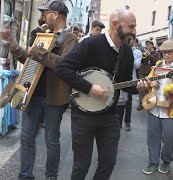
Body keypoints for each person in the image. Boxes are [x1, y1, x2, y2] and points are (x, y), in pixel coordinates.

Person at [54, 9, 137, 180]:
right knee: (81, 165)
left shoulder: (127, 52)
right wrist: (89, 88)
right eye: (131, 27)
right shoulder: (90, 44)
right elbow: (62, 68)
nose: (134, 31)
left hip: (110, 116)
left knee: (108, 163)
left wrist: (141, 87)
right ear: (115, 25)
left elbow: (126, 83)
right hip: (83, 115)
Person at [0, 0, 78, 179]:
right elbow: (28, 61)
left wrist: (37, 52)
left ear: (56, 15)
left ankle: (51, 176)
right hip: (31, 94)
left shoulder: (69, 39)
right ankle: (25, 175)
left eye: (46, 12)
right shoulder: (42, 35)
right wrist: (12, 41)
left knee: (51, 141)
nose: (43, 16)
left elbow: (63, 65)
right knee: (26, 138)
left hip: (55, 98)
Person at [137, 40, 173, 175]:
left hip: (171, 109)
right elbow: (148, 79)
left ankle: (166, 160)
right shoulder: (158, 65)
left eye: (169, 52)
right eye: (164, 52)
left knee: (169, 138)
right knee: (153, 136)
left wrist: (168, 87)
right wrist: (151, 82)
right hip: (155, 107)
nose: (166, 55)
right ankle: (153, 162)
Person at [116, 38, 142, 131]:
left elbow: (137, 65)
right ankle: (118, 123)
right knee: (118, 101)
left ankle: (127, 122)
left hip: (132, 79)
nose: (128, 41)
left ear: (134, 41)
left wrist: (128, 57)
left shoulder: (137, 52)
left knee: (128, 102)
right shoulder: (118, 48)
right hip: (119, 79)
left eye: (130, 40)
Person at [136, 40, 161, 110]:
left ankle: (148, 103)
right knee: (141, 89)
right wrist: (144, 56)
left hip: (150, 73)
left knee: (149, 89)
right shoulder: (145, 52)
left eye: (149, 44)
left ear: (152, 45)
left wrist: (150, 55)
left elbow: (157, 63)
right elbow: (141, 61)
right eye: (146, 44)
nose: (147, 46)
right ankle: (141, 104)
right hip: (142, 72)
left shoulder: (157, 53)